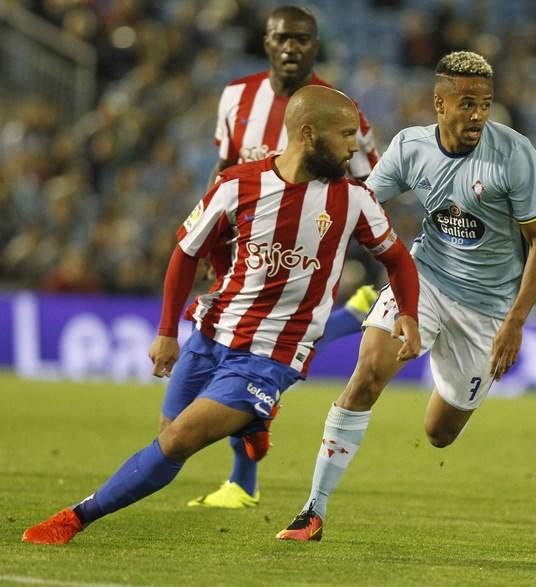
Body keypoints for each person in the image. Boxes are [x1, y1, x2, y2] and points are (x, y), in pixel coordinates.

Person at [21, 85, 421, 546]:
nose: (355, 146)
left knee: (178, 442)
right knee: (168, 433)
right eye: (347, 135)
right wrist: (168, 331)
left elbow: (397, 259)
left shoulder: (354, 201)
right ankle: (253, 426)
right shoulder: (237, 184)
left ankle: (73, 518)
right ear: (309, 134)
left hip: (271, 358)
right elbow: (186, 251)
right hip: (212, 334)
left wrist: (406, 312)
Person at [276, 51, 536, 542]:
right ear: (439, 102)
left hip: (487, 309)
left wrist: (515, 321)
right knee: (366, 375)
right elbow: (357, 202)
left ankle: (446, 370)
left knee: (438, 433)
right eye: (467, 103)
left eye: (486, 105)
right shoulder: (411, 147)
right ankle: (312, 511)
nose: (477, 115)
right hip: (425, 278)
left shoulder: (515, 154)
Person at [194, 5, 382, 509]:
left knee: (263, 348)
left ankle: (242, 478)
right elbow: (223, 167)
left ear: (315, 46)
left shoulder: (343, 112)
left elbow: (368, 180)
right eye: (282, 37)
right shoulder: (236, 98)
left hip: (307, 252)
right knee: (245, 351)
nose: (291, 47)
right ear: (266, 42)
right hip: (246, 251)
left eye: (302, 39)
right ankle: (246, 468)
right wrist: (213, 242)